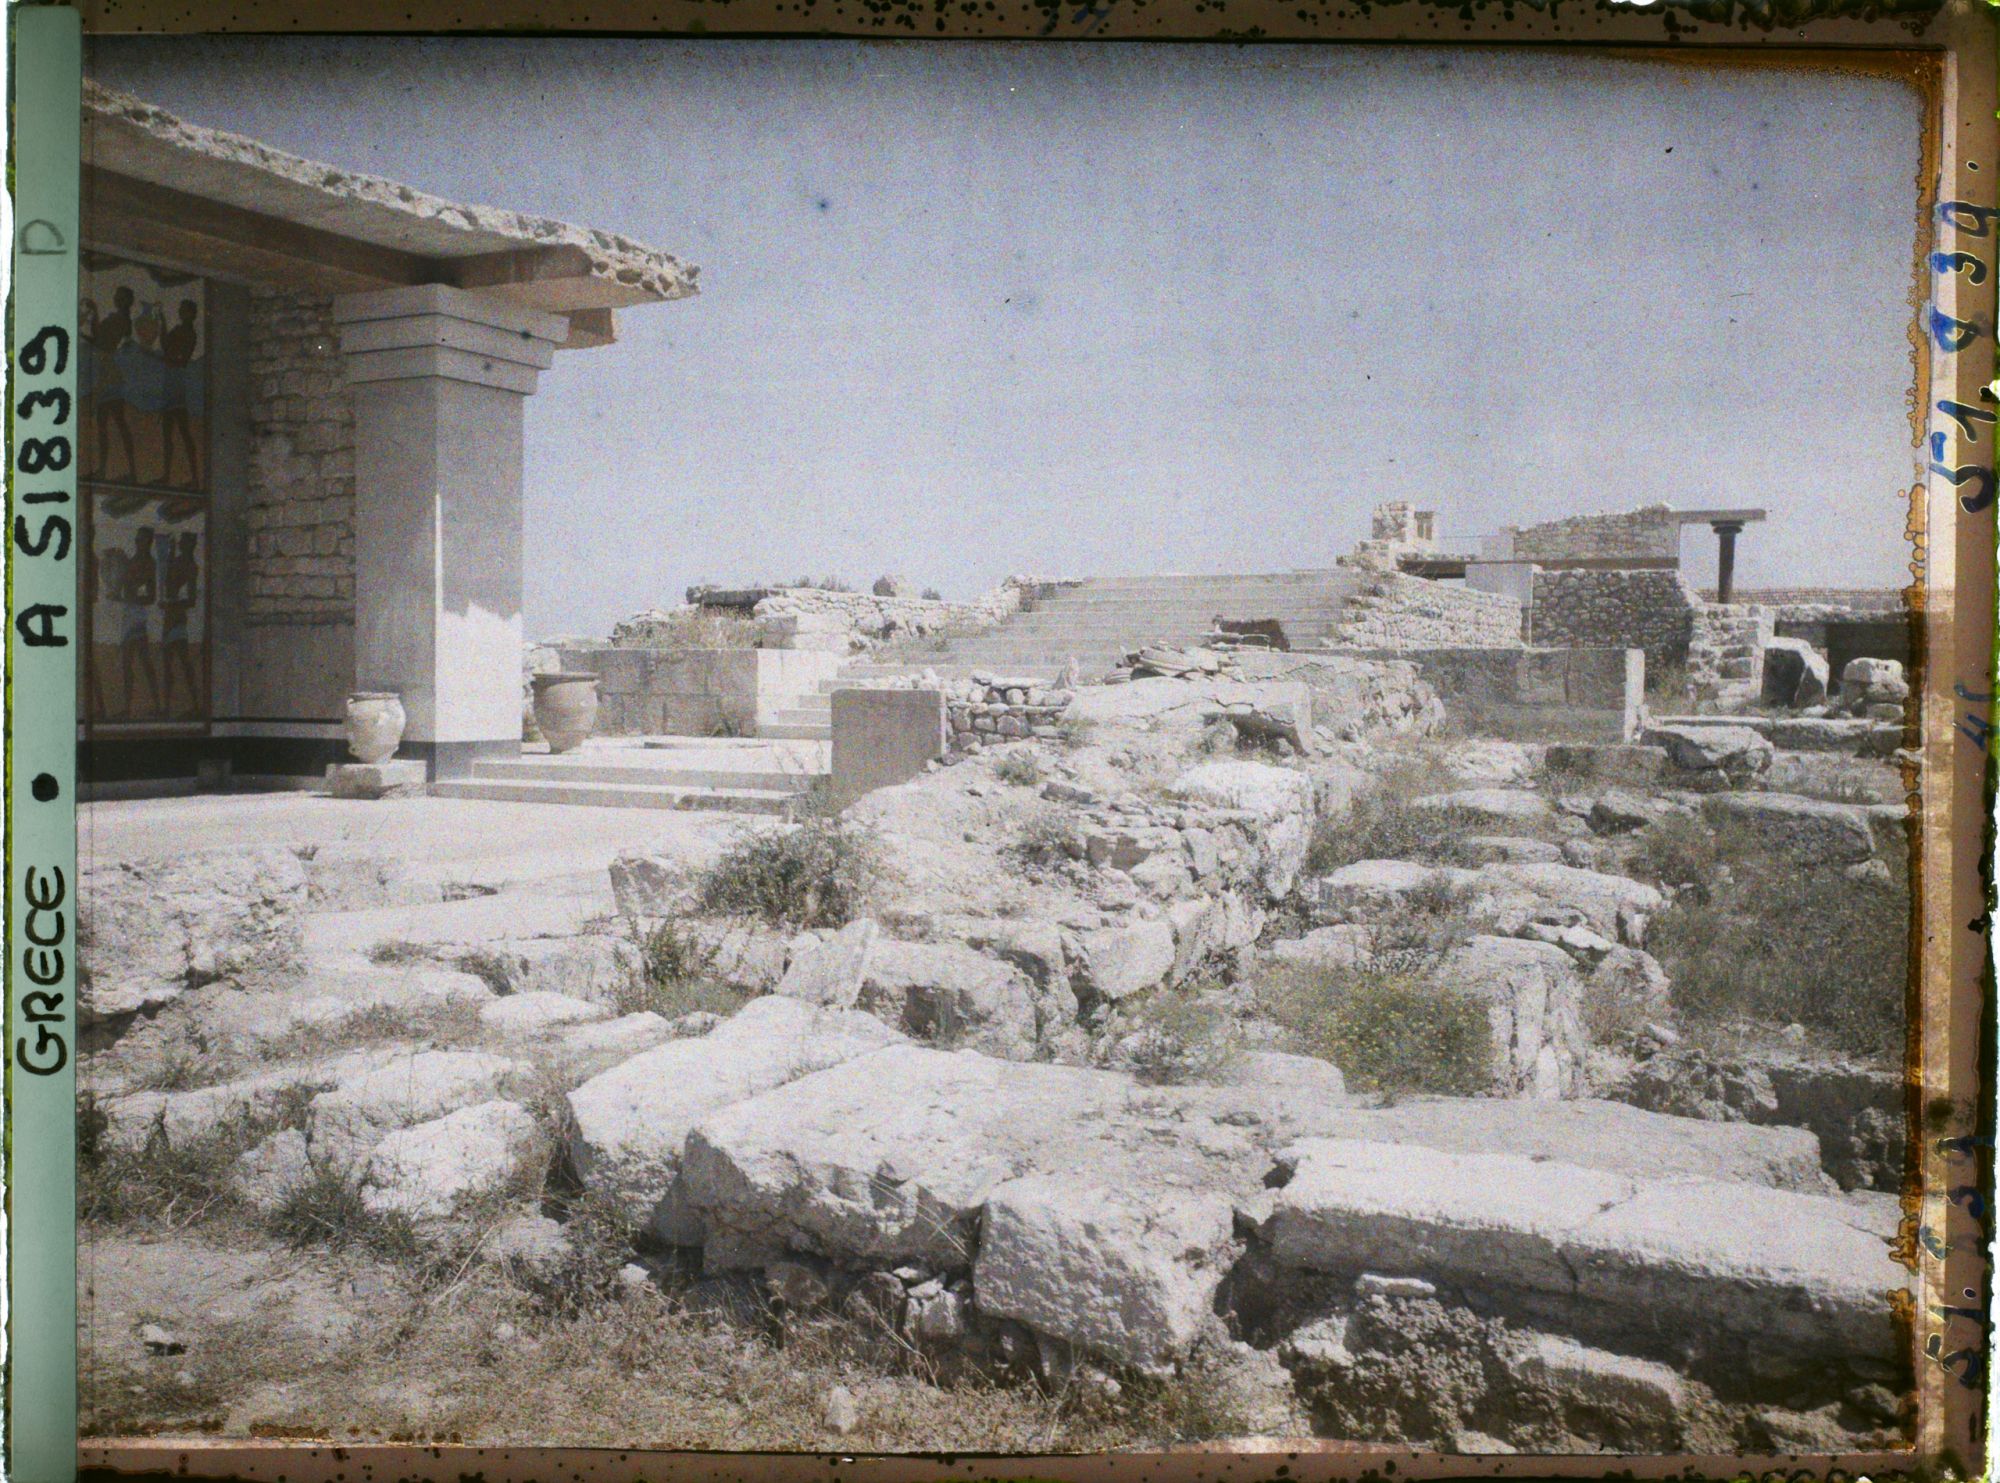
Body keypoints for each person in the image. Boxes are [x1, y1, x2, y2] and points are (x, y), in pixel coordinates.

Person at [90, 286, 138, 482]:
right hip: (108, 373)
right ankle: (109, 469)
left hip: (110, 375)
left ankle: (125, 470)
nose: (116, 298)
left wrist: (95, 313)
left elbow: (100, 340)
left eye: (120, 296)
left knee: (112, 422)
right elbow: (98, 338)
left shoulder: (121, 320)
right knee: (110, 423)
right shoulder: (120, 320)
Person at [117, 526, 162, 720]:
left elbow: (151, 596)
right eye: (137, 539)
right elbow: (122, 588)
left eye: (141, 540)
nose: (137, 543)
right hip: (129, 614)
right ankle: (129, 708)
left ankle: (155, 706)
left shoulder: (148, 563)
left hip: (137, 616)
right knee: (129, 663)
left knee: (141, 661)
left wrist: (132, 596)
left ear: (148, 542)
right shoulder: (132, 561)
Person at [158, 300, 201, 487]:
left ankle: (194, 477)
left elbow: (180, 358)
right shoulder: (179, 330)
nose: (181, 313)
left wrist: (169, 359)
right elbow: (166, 345)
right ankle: (167, 476)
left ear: (191, 313)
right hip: (171, 383)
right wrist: (162, 319)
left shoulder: (189, 333)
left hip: (176, 385)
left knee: (182, 433)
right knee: (169, 433)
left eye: (184, 310)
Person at [159, 531, 202, 717]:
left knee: (181, 663)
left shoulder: (190, 566)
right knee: (171, 664)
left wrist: (171, 604)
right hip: (171, 617)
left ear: (190, 545)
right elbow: (168, 583)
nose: (180, 544)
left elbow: (191, 600)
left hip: (176, 618)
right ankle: (169, 707)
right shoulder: (177, 561)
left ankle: (192, 705)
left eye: (183, 542)